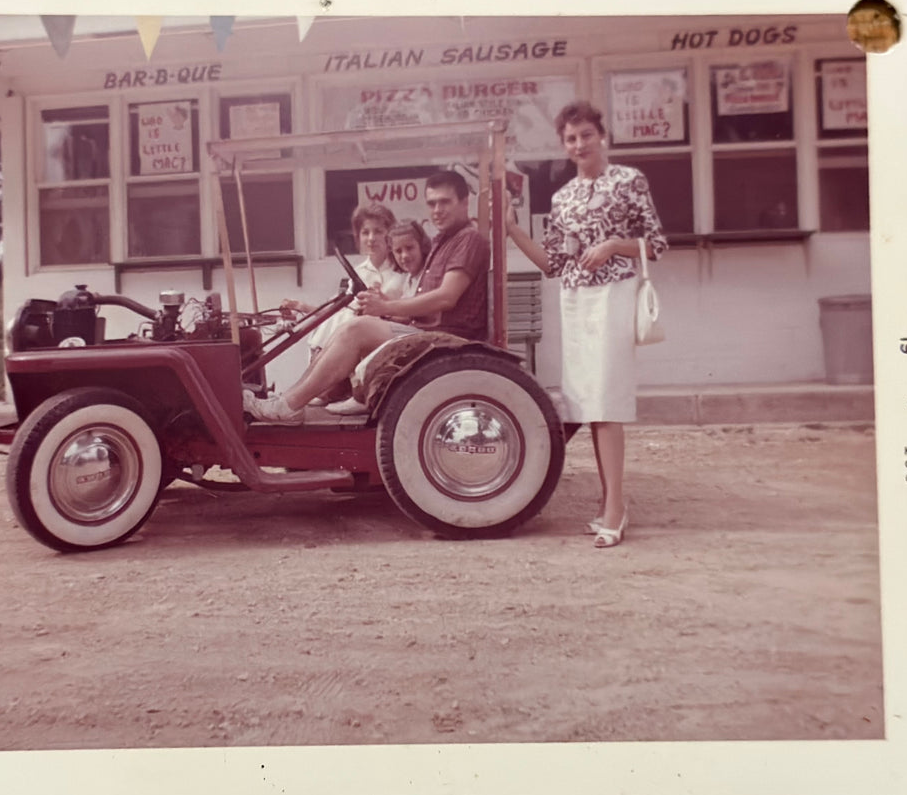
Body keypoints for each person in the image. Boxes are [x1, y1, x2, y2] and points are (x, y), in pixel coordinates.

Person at [506, 100, 666, 549]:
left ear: (603, 136)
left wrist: (615, 245)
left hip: (614, 293)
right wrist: (513, 231)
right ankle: (608, 502)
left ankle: (615, 506)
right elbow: (553, 263)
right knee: (588, 402)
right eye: (571, 139)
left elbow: (656, 244)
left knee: (607, 399)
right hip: (575, 299)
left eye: (586, 136)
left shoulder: (629, 181)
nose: (579, 145)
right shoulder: (562, 198)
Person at [244, 170, 490, 424]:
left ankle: (290, 405)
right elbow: (430, 304)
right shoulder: (444, 241)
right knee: (350, 326)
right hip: (425, 331)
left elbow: (446, 298)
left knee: (356, 329)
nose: (437, 209)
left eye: (445, 202)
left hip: (450, 341)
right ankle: (291, 399)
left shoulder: (468, 239)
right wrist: (386, 311)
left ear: (464, 202)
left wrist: (386, 305)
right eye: (432, 203)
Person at [280, 203, 404, 401]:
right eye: (365, 232)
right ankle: (311, 388)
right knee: (340, 317)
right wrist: (303, 307)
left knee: (349, 319)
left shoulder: (401, 267)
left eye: (378, 231)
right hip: (353, 333)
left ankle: (324, 389)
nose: (371, 239)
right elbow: (337, 311)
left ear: (389, 234)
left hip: (386, 332)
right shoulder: (360, 272)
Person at [323, 219, 433, 416]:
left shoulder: (424, 276)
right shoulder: (411, 277)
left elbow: (415, 315)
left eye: (410, 248)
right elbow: (406, 316)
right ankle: (332, 387)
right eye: (398, 251)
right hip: (408, 330)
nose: (404, 256)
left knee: (359, 330)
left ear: (422, 246)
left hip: (422, 339)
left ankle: (358, 394)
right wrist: (382, 309)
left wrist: (384, 309)